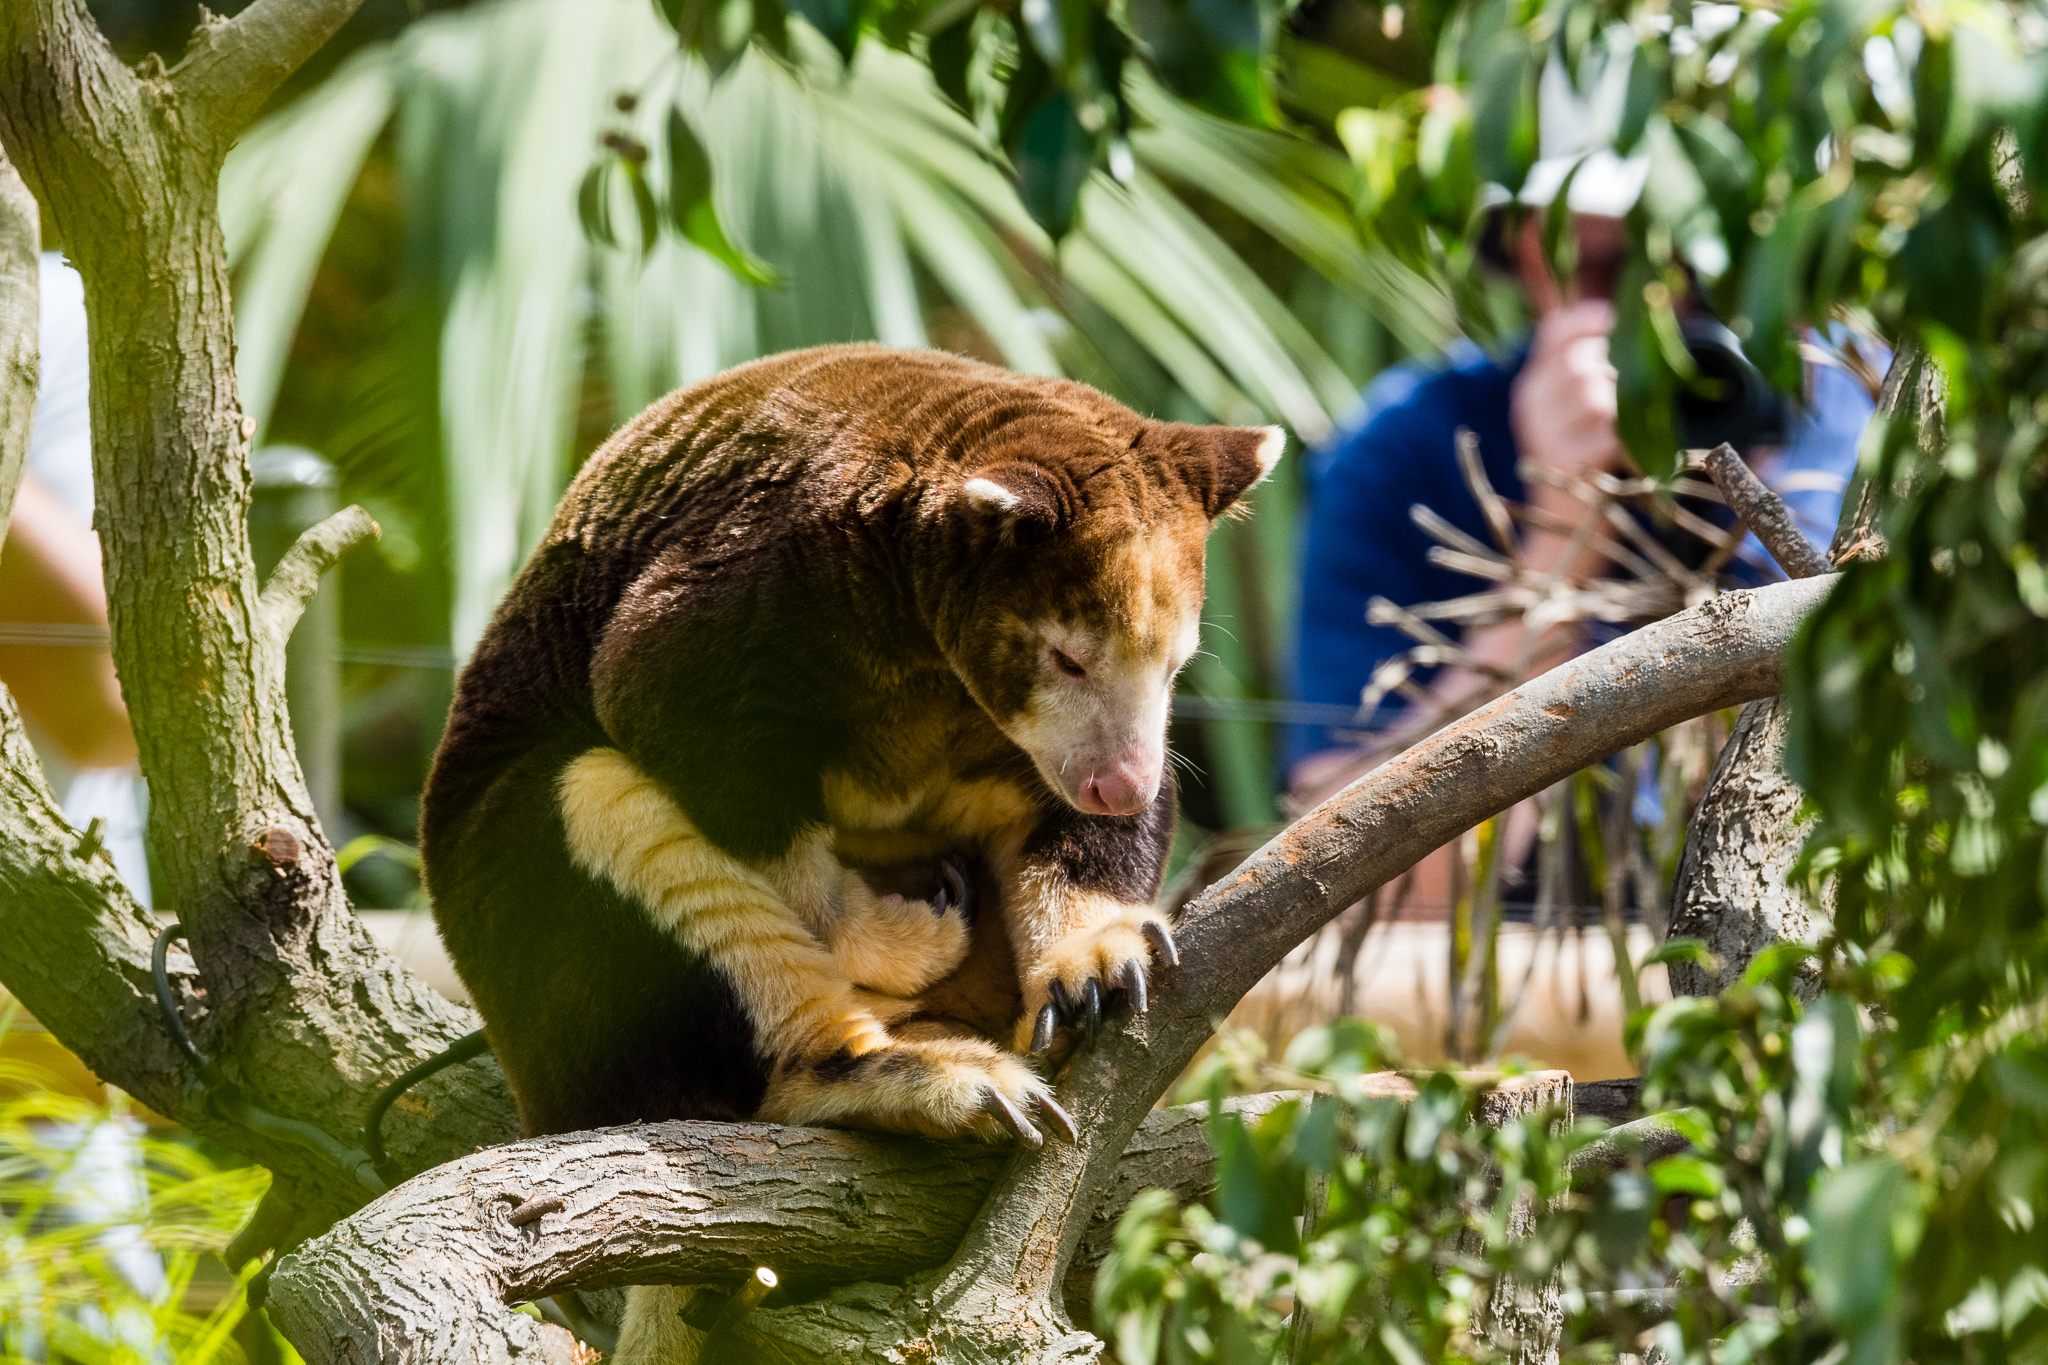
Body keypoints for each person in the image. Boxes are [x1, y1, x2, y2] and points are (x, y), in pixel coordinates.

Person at [1284, 159, 1877, 903]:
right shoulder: (1403, 457)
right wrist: (1562, 534)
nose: (1652, 316)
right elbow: (1345, 898)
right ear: (1519, 247)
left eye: (1692, 264)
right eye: (1603, 272)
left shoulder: (1870, 413)